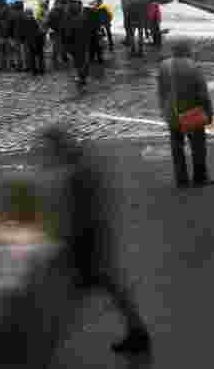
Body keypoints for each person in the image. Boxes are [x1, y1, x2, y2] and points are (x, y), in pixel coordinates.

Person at [40, 126, 152, 355]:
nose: (45, 153)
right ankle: (138, 332)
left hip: (83, 244)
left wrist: (62, 243)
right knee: (110, 288)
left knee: (62, 299)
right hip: (91, 242)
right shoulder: (81, 164)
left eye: (49, 148)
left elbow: (74, 213)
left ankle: (41, 351)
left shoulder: (75, 172)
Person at [0, 172, 76, 369]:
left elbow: (3, 295)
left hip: (7, 326)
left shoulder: (13, 244)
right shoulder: (41, 240)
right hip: (32, 328)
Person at [157, 39, 214, 187]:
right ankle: (199, 178)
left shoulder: (164, 66)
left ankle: (181, 179)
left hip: (171, 111)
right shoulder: (194, 67)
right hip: (191, 111)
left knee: (177, 147)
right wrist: (208, 113)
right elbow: (203, 94)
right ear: (187, 51)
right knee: (198, 146)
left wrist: (163, 108)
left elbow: (161, 91)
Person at [20, 6, 46, 75]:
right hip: (38, 40)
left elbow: (23, 33)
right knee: (39, 56)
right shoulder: (35, 20)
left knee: (32, 56)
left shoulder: (24, 21)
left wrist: (23, 39)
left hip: (30, 41)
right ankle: (41, 69)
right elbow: (40, 31)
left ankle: (34, 70)